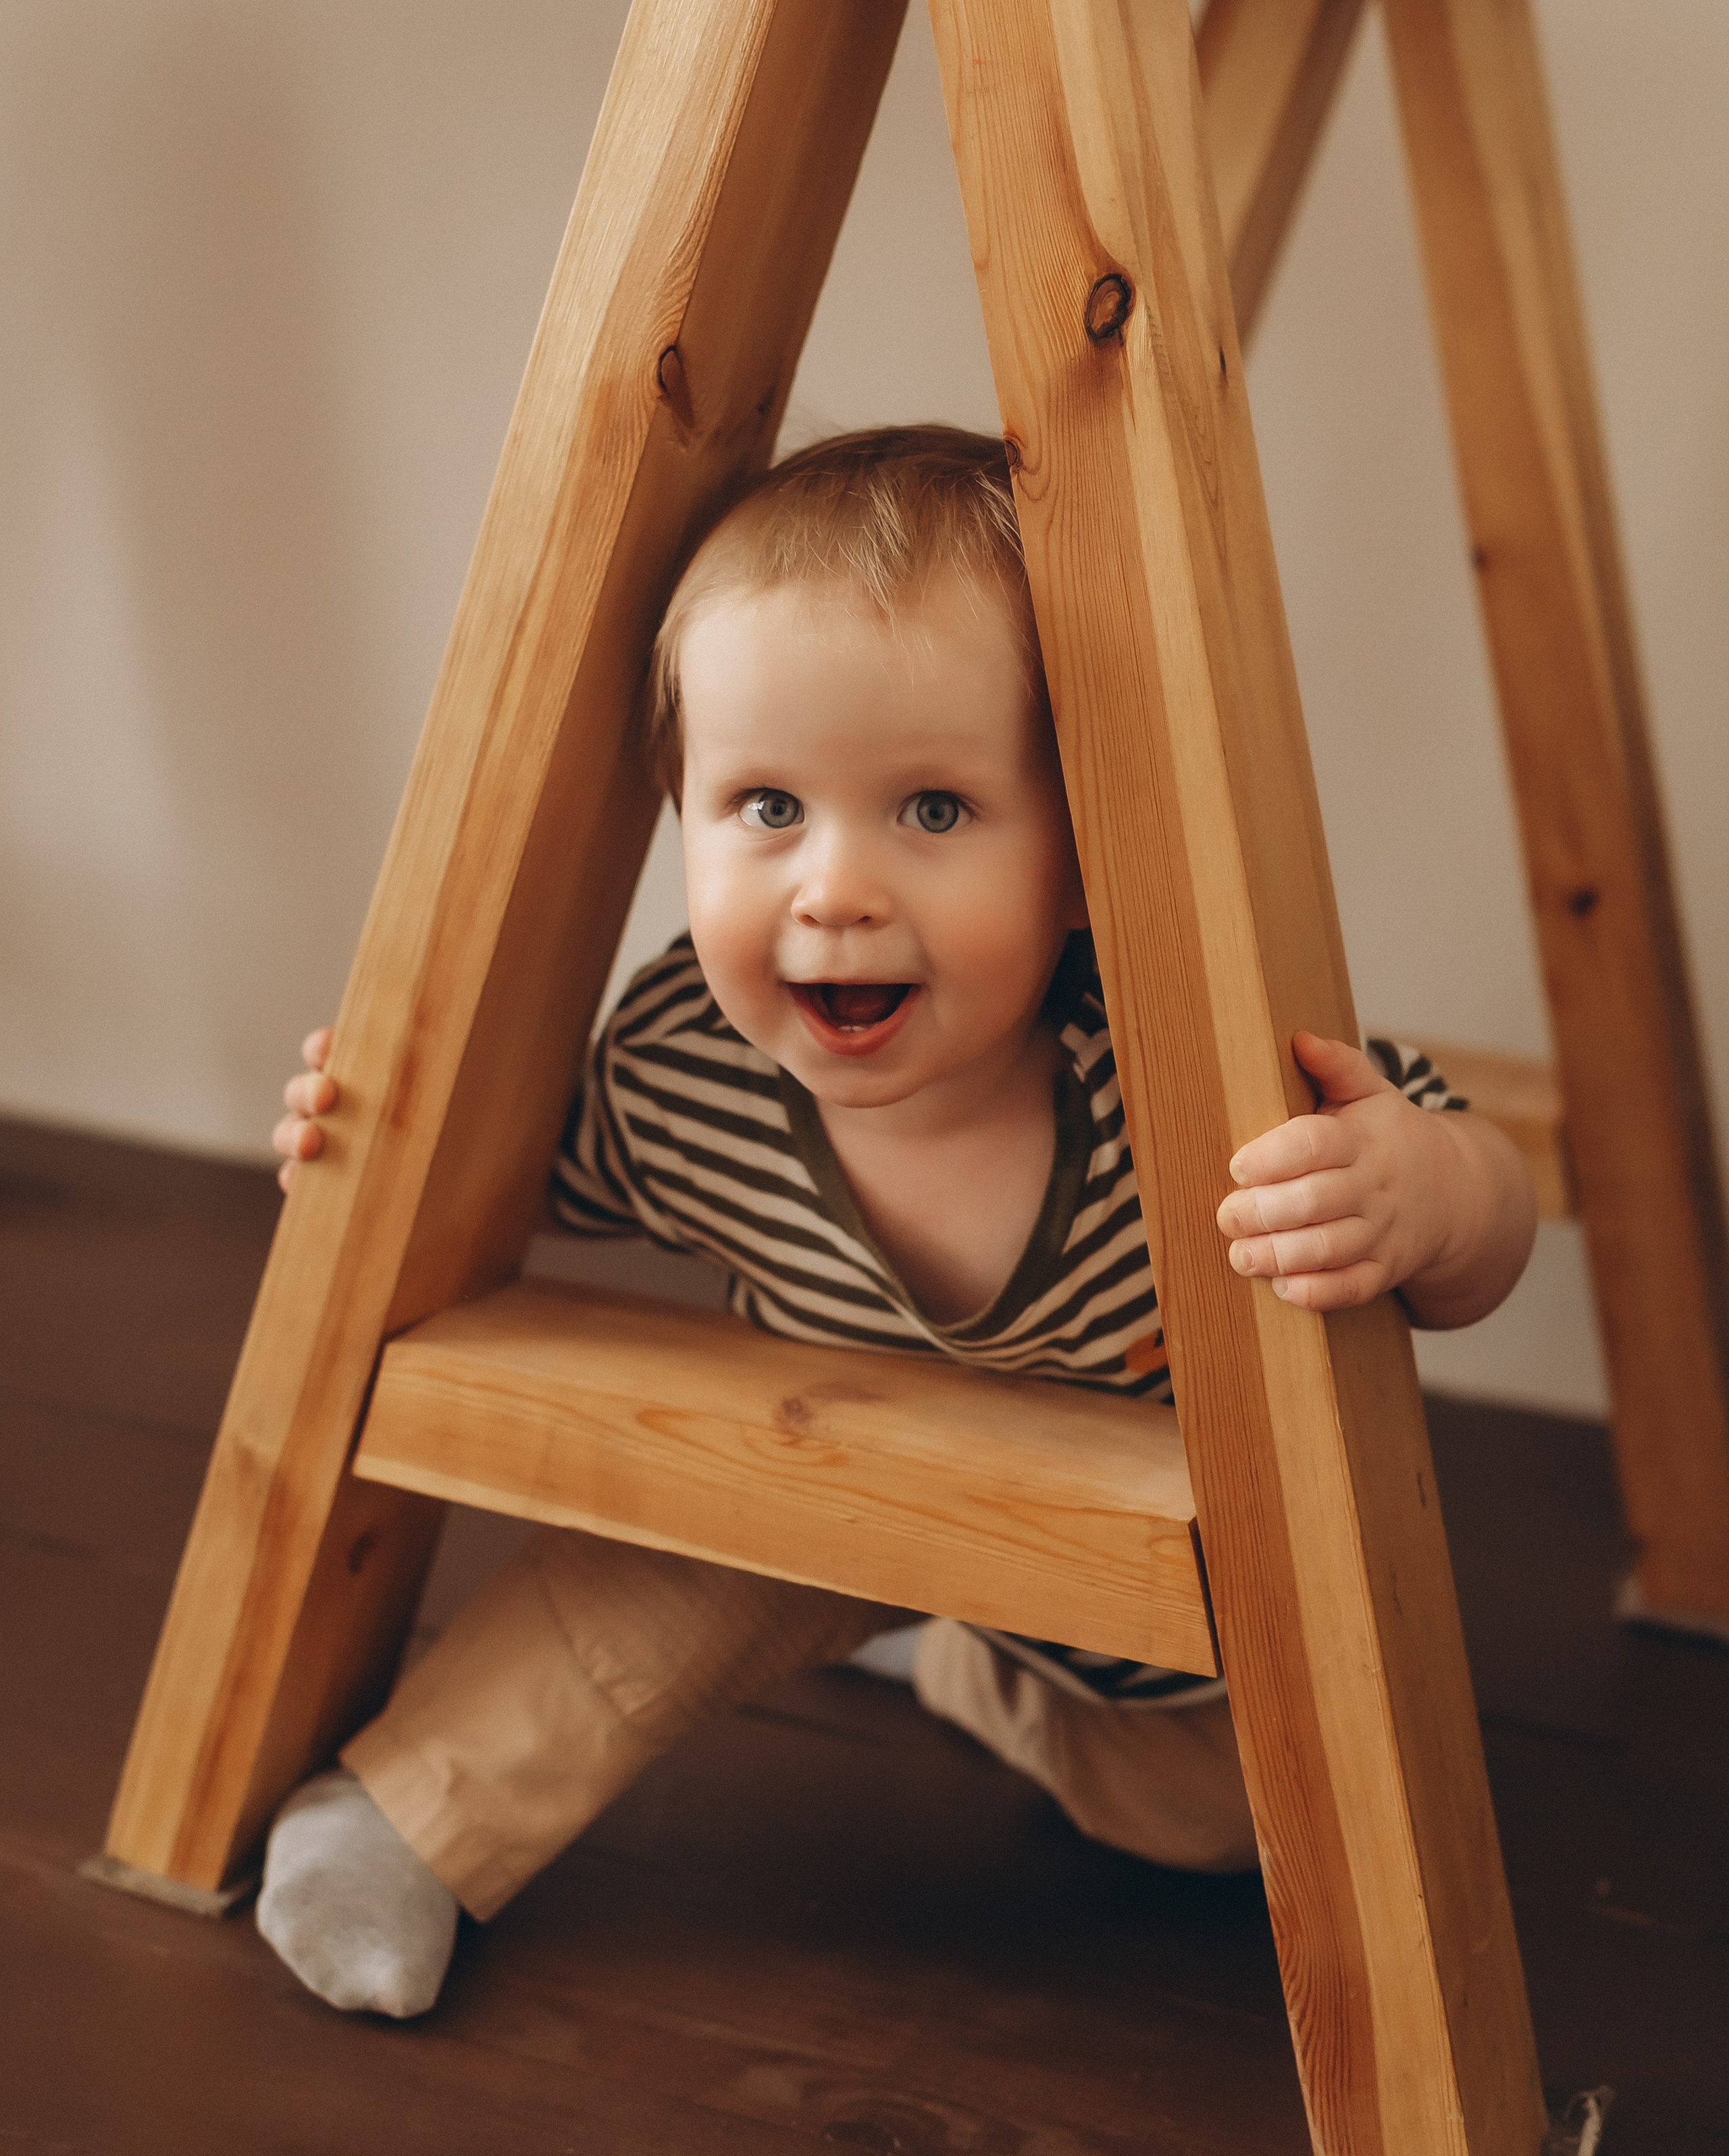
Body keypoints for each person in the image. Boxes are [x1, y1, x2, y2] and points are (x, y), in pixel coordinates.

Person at [257, 426, 1538, 2018]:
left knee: (1215, 1815)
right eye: (765, 805)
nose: (833, 888)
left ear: (1079, 851)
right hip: (810, 1495)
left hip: (1145, 1613)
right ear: (678, 811)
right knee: (648, 1576)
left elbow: (1490, 1211)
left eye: (931, 810)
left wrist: (1420, 1193)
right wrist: (370, 1137)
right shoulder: (680, 1063)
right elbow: (508, 1178)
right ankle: (401, 1819)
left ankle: (960, 1660)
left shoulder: (1187, 1083)